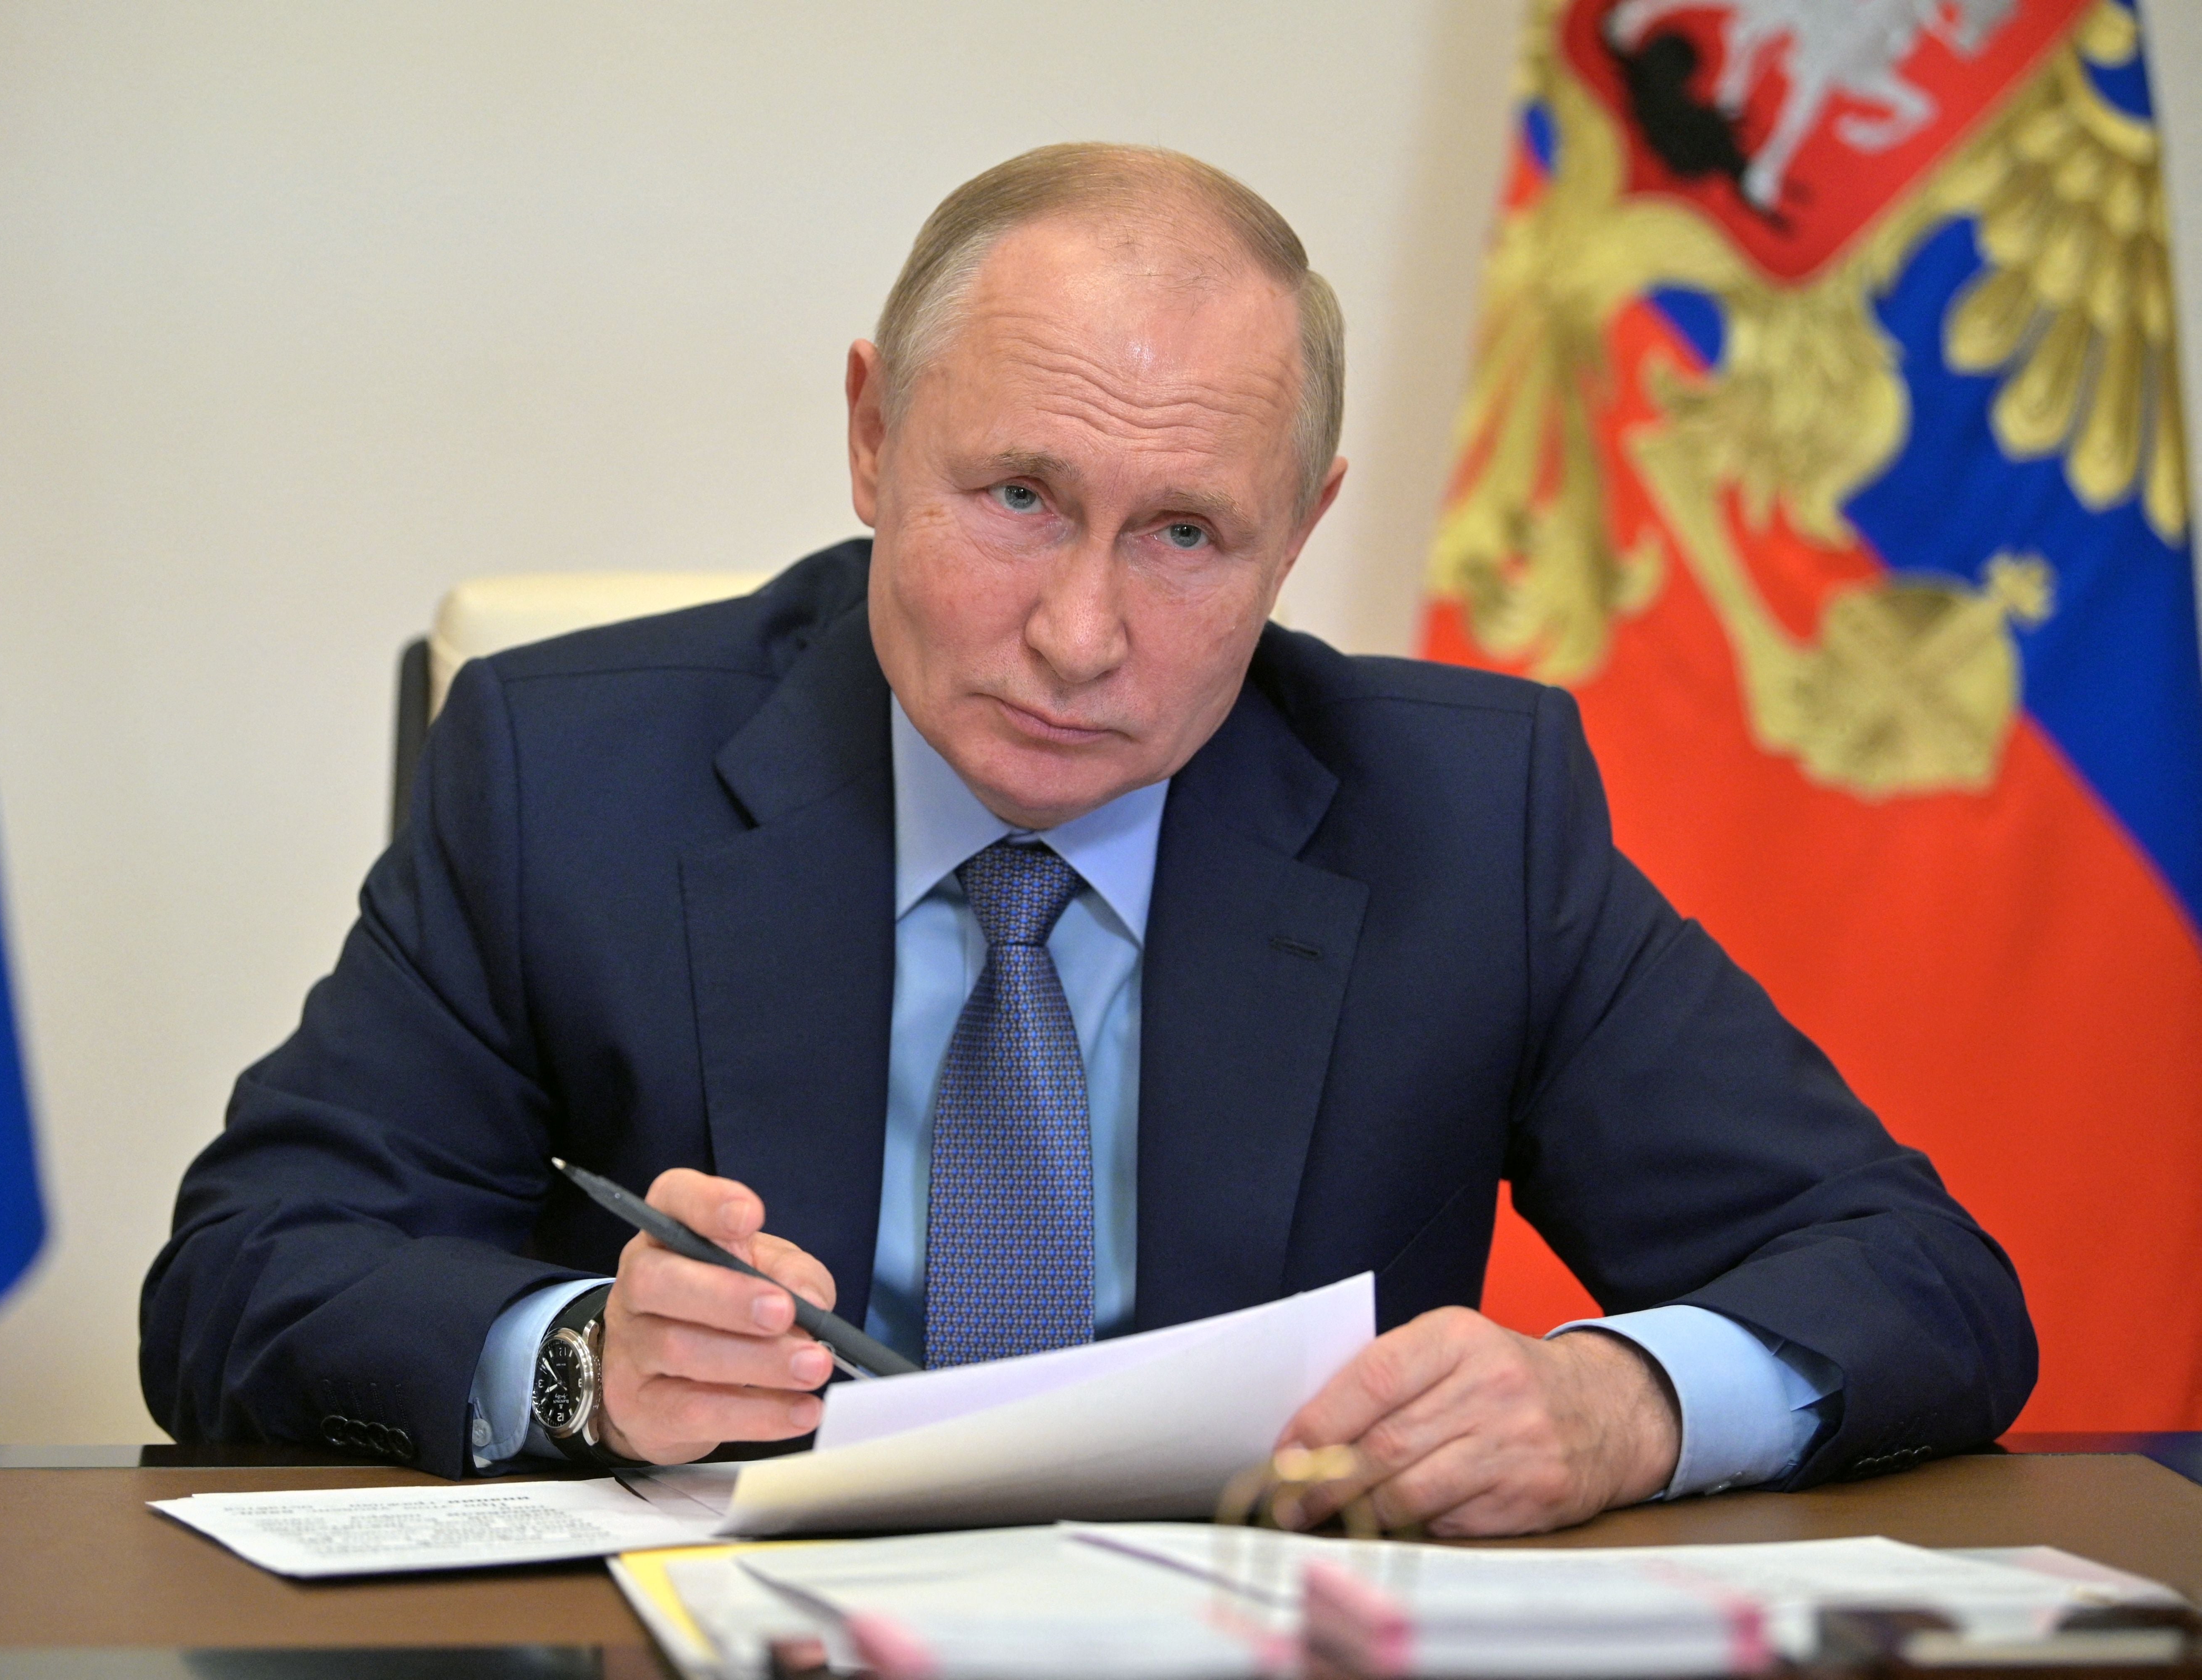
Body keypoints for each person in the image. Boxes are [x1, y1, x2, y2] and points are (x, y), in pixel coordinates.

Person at [141, 143, 2034, 1536]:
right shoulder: (570, 773)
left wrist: (1621, 1398)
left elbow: (1918, 1274)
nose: (1081, 633)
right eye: (1021, 497)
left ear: (1300, 533)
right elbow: (244, 1271)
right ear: (874, 439)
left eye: (1189, 534)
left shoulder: (1467, 813)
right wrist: (578, 1359)